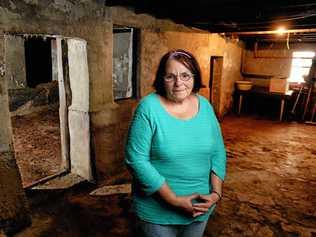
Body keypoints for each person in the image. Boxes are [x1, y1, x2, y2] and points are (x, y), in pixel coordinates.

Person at [125, 49, 226, 237]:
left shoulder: (204, 106)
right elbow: (136, 159)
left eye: (185, 75)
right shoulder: (148, 108)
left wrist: (216, 193)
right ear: (162, 79)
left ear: (195, 77)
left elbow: (218, 150)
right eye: (170, 76)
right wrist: (173, 200)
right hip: (158, 212)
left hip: (200, 209)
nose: (179, 83)